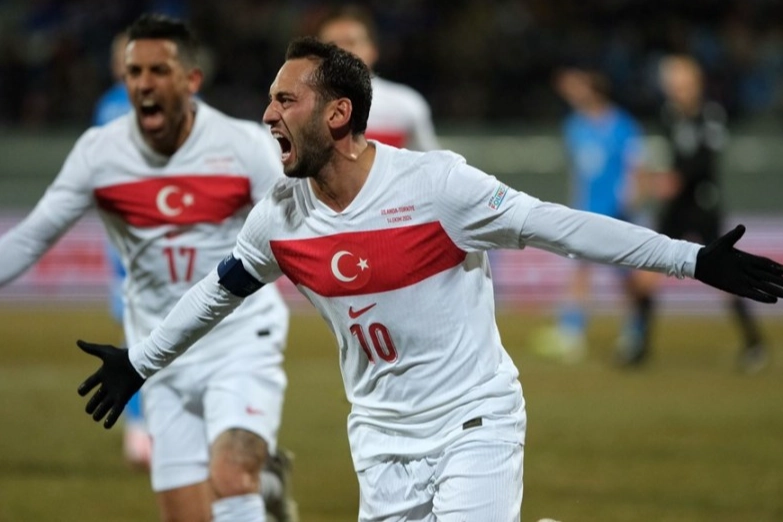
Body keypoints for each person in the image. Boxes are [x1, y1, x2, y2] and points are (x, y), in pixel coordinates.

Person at [76, 38, 783, 521]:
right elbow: (218, 291)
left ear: (338, 112)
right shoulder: (280, 218)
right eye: (270, 100)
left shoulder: (437, 187)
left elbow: (559, 226)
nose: (267, 115)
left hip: (472, 419)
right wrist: (140, 362)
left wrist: (692, 260)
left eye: (285, 101)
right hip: (378, 438)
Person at [0, 14, 297, 522]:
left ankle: (255, 480)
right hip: (155, 351)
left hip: (239, 337)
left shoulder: (243, 145)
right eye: (134, 72)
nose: (143, 84)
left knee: (231, 479)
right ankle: (269, 482)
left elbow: (298, 231)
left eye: (159, 70)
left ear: (192, 79)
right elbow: (31, 237)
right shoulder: (100, 154)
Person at [615, 55, 769, 372]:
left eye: (681, 85)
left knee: (725, 276)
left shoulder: (711, 116)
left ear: (696, 84)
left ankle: (754, 344)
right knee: (647, 271)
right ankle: (639, 345)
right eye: (671, 85)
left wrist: (675, 180)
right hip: (676, 209)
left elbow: (704, 160)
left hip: (702, 207)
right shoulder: (669, 115)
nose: (676, 91)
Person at [533, 66, 655, 363]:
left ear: (594, 89)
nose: (572, 94)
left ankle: (635, 330)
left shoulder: (623, 126)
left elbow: (637, 170)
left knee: (628, 277)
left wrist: (632, 201)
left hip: (618, 214)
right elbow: (580, 174)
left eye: (578, 87)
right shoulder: (574, 127)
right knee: (580, 271)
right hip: (587, 213)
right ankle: (571, 333)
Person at [93, 29, 152, 472]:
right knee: (137, 330)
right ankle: (139, 429)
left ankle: (154, 428)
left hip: (172, 232)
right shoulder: (112, 106)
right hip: (131, 235)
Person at [315, 4, 439, 151]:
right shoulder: (301, 105)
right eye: (331, 45)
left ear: (372, 50)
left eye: (351, 42)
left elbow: (427, 161)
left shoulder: (407, 106)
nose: (341, 51)